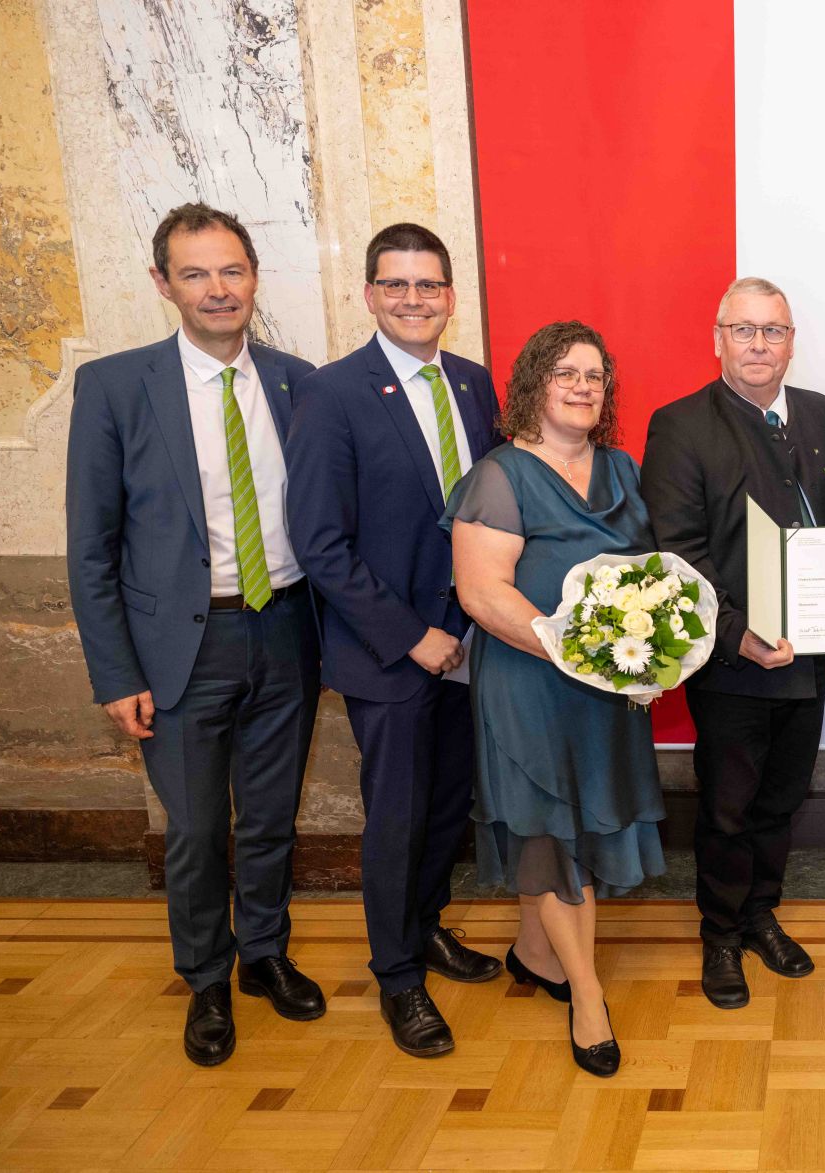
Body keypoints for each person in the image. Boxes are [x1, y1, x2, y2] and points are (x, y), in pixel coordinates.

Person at [66, 203, 323, 1065]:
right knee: (195, 827)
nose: (218, 289)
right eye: (196, 273)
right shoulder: (115, 386)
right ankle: (206, 978)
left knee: (270, 821)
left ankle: (265, 955)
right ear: (163, 283)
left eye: (232, 271)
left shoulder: (296, 381)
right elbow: (91, 545)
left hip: (286, 629)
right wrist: (114, 672)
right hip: (181, 648)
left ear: (254, 276)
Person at [286, 223, 504, 1059]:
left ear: (451, 295)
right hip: (392, 652)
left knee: (448, 804)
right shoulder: (333, 392)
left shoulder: (477, 386)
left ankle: (429, 927)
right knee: (398, 815)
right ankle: (397, 975)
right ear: (370, 294)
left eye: (430, 285)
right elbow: (320, 540)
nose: (415, 299)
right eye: (397, 285)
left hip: (471, 639)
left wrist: (471, 622)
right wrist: (412, 636)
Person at [641, 278, 825, 1009]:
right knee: (728, 805)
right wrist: (740, 635)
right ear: (717, 339)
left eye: (773, 331)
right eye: (744, 330)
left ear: (792, 340)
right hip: (734, 659)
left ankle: (760, 912)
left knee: (784, 795)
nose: (759, 345)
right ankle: (720, 933)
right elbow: (677, 551)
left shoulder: (823, 414)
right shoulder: (679, 423)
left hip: (810, 655)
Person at [444, 320, 663, 1078]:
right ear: (533, 384)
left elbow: (654, 578)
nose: (580, 386)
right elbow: (479, 593)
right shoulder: (500, 475)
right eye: (564, 372)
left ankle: (534, 956)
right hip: (529, 681)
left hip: (604, 693)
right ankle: (589, 996)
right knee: (549, 824)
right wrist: (577, 648)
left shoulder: (625, 471)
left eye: (594, 376)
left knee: (580, 824)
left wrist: (655, 649)